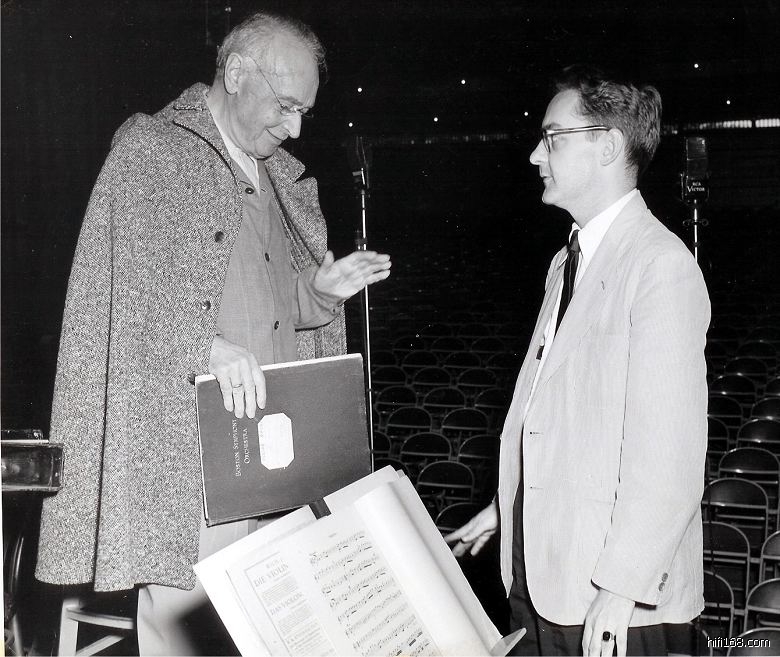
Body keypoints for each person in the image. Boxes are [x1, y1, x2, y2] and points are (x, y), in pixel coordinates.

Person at [35, 11, 390, 656]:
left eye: (304, 112)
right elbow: (121, 300)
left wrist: (319, 290)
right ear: (235, 73)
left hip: (276, 454)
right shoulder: (153, 149)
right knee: (189, 636)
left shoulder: (281, 180)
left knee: (273, 633)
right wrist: (201, 346)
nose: (295, 128)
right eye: (286, 106)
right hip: (189, 456)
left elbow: (274, 309)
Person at [446, 65, 709, 657]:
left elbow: (669, 456)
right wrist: (508, 505)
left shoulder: (659, 265)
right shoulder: (567, 263)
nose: (536, 154)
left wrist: (620, 589)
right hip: (543, 571)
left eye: (552, 137)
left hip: (611, 599)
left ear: (608, 146)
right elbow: (562, 415)